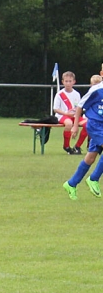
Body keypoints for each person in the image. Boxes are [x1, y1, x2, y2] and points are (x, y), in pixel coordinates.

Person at [62, 69, 103, 200]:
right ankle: (93, 179)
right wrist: (75, 126)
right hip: (95, 125)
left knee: (90, 158)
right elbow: (80, 106)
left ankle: (71, 184)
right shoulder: (96, 89)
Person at [54, 71, 88, 155]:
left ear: (74, 82)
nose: (68, 83)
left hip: (74, 116)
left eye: (70, 81)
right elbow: (55, 109)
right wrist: (66, 114)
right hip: (62, 115)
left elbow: (78, 108)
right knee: (68, 124)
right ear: (62, 82)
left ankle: (77, 146)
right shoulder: (59, 94)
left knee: (88, 125)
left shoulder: (77, 94)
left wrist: (76, 116)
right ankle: (66, 146)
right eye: (66, 81)